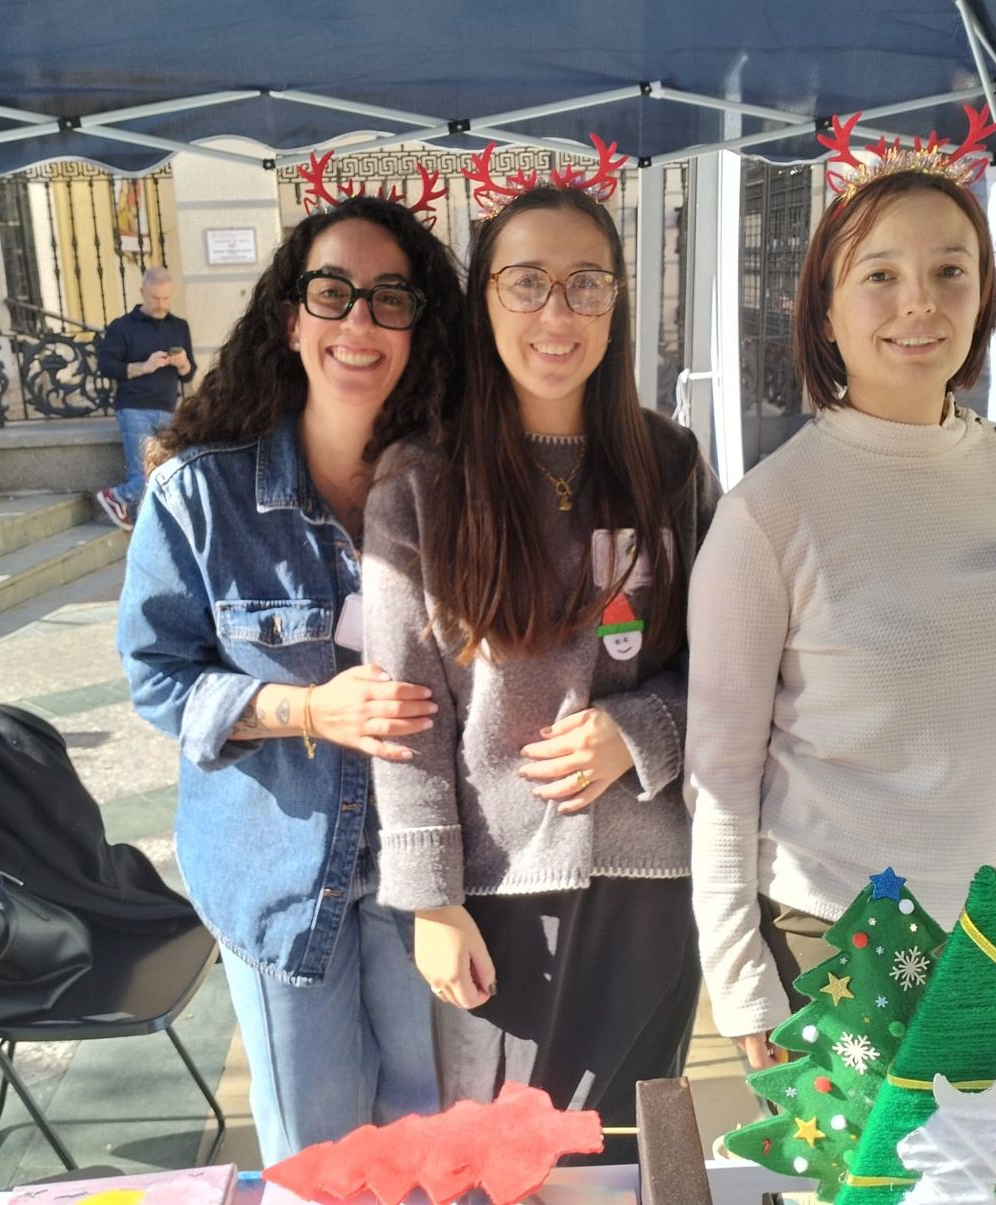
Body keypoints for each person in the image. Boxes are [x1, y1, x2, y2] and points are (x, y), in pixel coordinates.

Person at [686, 163, 996, 1069]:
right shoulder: (771, 511)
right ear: (825, 312)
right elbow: (720, 769)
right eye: (879, 275)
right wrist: (740, 976)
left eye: (950, 271)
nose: (918, 303)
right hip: (842, 943)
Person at [363, 186, 721, 1144]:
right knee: (512, 1161)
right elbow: (407, 710)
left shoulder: (673, 465)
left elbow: (739, 665)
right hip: (496, 895)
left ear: (616, 303)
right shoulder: (422, 480)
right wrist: (431, 896)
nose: (556, 313)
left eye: (584, 284)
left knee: (624, 1152)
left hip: (651, 881)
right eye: (527, 282)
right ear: (484, 300)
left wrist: (645, 727)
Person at [117, 197, 463, 1161]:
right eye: (333, 293)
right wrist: (305, 707)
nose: (359, 322)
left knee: (432, 1145)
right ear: (291, 319)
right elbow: (155, 674)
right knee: (320, 1159)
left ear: (419, 327)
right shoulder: (201, 493)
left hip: (419, 872)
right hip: (279, 880)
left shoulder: (453, 488)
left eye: (390, 299)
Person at [96, 267, 196, 531]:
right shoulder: (122, 327)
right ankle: (115, 496)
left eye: (165, 298)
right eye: (154, 299)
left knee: (170, 473)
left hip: (168, 408)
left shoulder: (179, 326)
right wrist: (142, 366)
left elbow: (189, 375)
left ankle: (150, 523)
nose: (160, 304)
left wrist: (184, 364)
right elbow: (106, 366)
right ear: (142, 293)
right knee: (141, 477)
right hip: (134, 408)